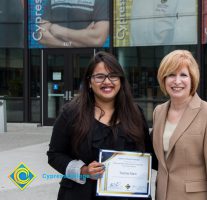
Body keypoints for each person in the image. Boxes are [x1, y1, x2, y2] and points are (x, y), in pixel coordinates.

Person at [47, 51, 157, 200]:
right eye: (99, 76)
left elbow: (148, 154)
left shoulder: (135, 113)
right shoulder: (71, 113)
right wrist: (84, 170)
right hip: (82, 194)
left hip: (128, 195)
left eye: (113, 76)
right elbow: (54, 155)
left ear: (120, 81)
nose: (107, 81)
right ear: (89, 82)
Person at [152, 50, 207, 200]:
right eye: (171, 75)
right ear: (163, 79)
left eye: (183, 75)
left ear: (192, 79)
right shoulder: (158, 112)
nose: (177, 81)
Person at [38, 0, 109, 47]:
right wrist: (70, 44)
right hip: (54, 59)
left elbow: (97, 39)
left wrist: (58, 30)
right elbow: (42, 36)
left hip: (89, 58)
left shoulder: (101, 1)